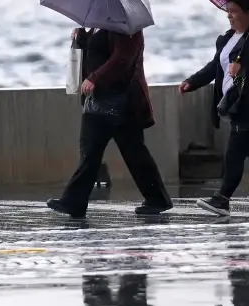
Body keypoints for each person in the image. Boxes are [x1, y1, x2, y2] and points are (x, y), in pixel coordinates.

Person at [179, 0, 249, 216]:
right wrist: (192, 81)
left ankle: (223, 198)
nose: (229, 15)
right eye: (227, 10)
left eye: (234, 11)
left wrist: (243, 71)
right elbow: (215, 67)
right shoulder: (228, 38)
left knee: (235, 151)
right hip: (234, 104)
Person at [47, 28, 173, 218]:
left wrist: (95, 78)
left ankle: (158, 199)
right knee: (90, 151)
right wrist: (81, 39)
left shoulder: (127, 28)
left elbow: (122, 59)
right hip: (98, 101)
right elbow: (92, 60)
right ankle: (74, 201)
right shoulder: (97, 27)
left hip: (123, 103)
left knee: (135, 153)